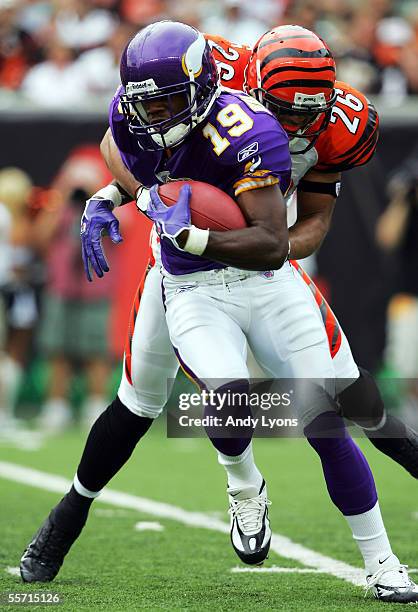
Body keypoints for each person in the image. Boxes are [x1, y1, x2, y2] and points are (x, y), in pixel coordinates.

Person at [20, 23, 418, 603]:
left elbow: (281, 239)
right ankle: (239, 486)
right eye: (282, 107)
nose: (296, 123)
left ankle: (382, 560)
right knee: (170, 403)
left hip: (265, 272)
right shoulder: (169, 94)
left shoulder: (270, 130)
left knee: (334, 410)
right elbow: (121, 148)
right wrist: (117, 196)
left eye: (309, 111)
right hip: (186, 285)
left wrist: (192, 232)